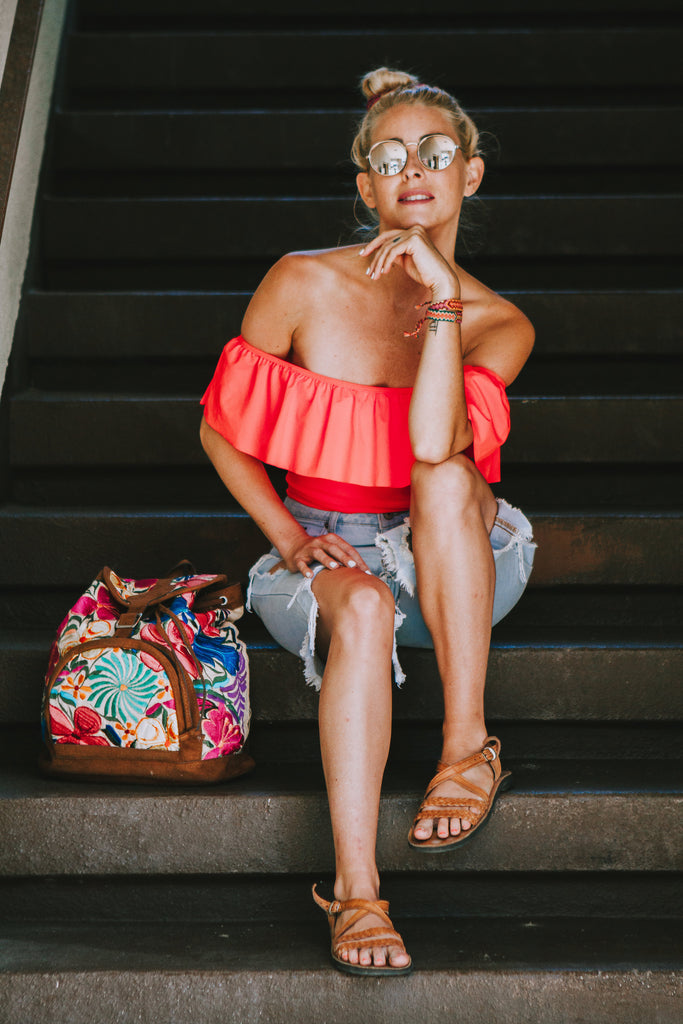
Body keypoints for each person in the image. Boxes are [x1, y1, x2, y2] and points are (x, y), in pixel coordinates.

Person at [200, 67, 536, 977]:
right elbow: (220, 428)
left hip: (453, 559)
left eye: (435, 154)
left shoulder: (498, 322)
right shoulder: (301, 283)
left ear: (470, 174)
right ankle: (356, 892)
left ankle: (466, 745)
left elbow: (434, 445)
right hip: (327, 542)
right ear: (366, 189)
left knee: (442, 481)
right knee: (358, 608)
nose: (413, 173)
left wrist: (441, 300)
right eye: (389, 160)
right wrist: (285, 535)